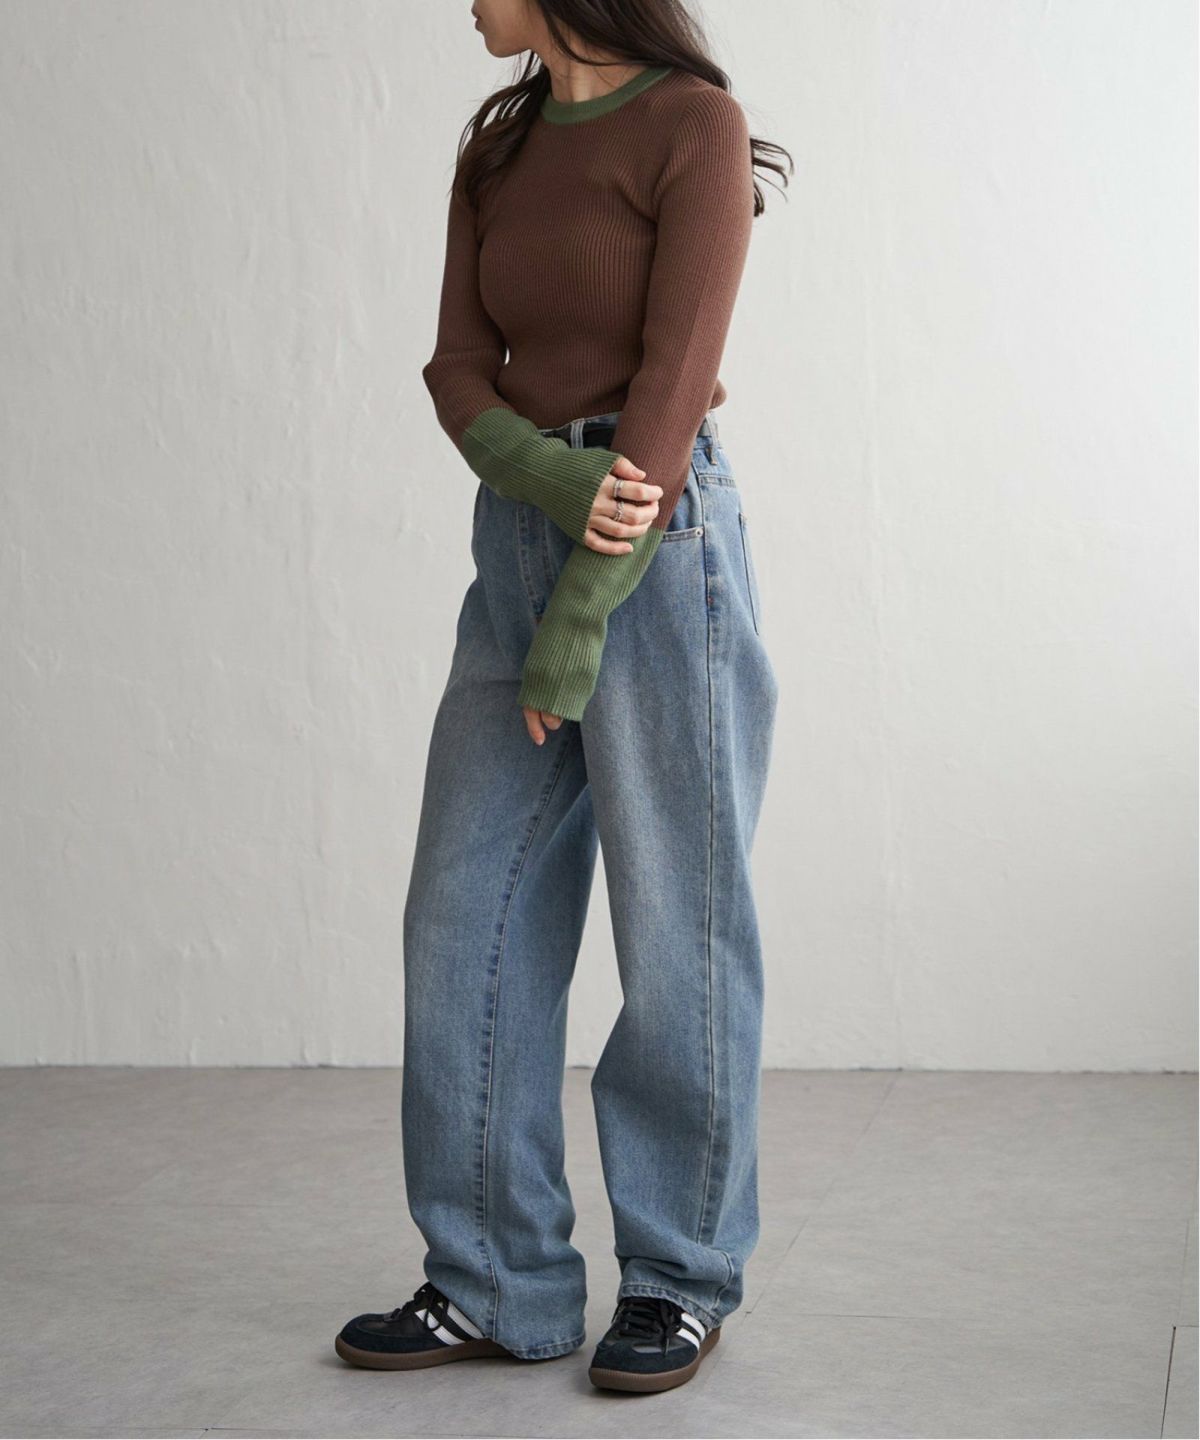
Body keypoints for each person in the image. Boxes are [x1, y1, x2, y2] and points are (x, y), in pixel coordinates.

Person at [335, 0, 791, 1395]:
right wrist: (544, 483)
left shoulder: (694, 125)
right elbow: (456, 368)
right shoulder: (497, 147)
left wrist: (580, 617)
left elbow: (675, 379)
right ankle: (494, 1279)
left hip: (657, 546)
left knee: (679, 926)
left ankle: (679, 1276)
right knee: (460, 912)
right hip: (523, 537)